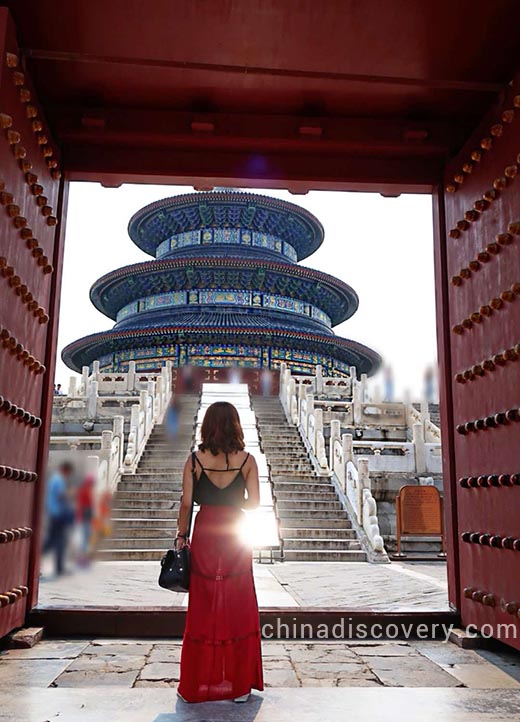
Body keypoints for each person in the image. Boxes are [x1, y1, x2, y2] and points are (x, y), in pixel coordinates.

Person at [176, 401, 264, 703]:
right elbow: (254, 503)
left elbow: (186, 503)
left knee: (203, 601)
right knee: (238, 600)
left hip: (205, 529)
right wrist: (233, 497)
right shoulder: (248, 460)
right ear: (236, 425)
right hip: (236, 530)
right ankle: (238, 685)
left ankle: (196, 684)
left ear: (207, 426)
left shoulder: (194, 460)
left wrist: (180, 537)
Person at [43, 461, 75, 576]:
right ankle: (58, 567)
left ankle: (59, 567)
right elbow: (61, 495)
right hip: (57, 514)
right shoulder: (58, 480)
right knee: (56, 541)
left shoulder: (55, 479)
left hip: (55, 513)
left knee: (55, 541)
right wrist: (70, 494)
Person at [75, 473, 95, 566]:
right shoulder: (86, 491)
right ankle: (82, 558)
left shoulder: (85, 490)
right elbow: (85, 505)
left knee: (85, 538)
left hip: (85, 516)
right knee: (85, 538)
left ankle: (82, 558)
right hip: (85, 517)